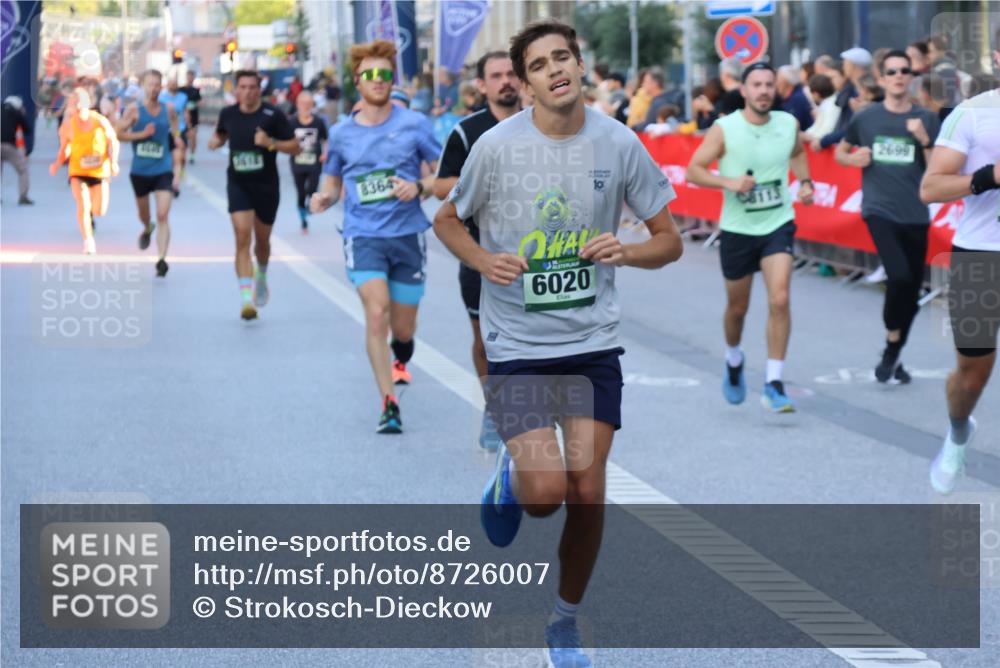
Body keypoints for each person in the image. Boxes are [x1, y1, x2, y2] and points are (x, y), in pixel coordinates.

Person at [433, 21, 682, 668]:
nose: (555, 70)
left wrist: (626, 252)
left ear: (579, 64)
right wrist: (484, 261)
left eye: (562, 57)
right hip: (514, 345)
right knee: (544, 494)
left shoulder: (618, 141)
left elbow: (670, 239)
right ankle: (509, 482)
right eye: (539, 64)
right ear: (524, 82)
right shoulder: (494, 147)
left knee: (588, 489)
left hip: (591, 343)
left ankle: (565, 622)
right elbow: (447, 219)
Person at [310, 40, 441, 434]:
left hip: (407, 236)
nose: (378, 80)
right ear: (358, 81)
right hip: (363, 234)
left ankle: (402, 352)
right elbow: (333, 184)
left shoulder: (414, 124)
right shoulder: (342, 133)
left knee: (403, 330)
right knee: (377, 312)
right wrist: (324, 197)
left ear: (392, 80)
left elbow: (445, 177)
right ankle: (388, 402)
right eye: (370, 74)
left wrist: (419, 188)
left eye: (385, 74)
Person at [686, 62, 815, 412]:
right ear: (743, 90)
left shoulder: (788, 123)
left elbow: (799, 152)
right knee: (737, 309)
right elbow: (694, 170)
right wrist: (729, 183)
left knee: (780, 299)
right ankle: (733, 357)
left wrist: (804, 182)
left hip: (778, 223)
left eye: (768, 84)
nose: (762, 91)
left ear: (775, 89)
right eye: (756, 84)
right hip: (738, 229)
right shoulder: (725, 128)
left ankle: (774, 382)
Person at [920, 31, 999, 495]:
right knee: (973, 374)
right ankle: (958, 429)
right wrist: (989, 177)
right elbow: (932, 188)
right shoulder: (972, 115)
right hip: (982, 256)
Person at [433, 50, 522, 451]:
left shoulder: (541, 126)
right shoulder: (468, 132)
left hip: (534, 255)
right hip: (480, 253)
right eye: (496, 75)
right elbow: (440, 186)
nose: (505, 81)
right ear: (482, 85)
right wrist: (480, 187)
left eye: (510, 74)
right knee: (485, 339)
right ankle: (494, 405)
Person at [835, 49, 940, 383]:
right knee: (899, 277)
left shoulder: (926, 118)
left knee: (910, 289)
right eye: (891, 71)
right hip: (879, 209)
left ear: (911, 78)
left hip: (916, 212)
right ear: (881, 79)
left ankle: (893, 349)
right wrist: (853, 160)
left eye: (904, 71)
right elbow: (840, 151)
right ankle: (893, 346)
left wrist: (924, 141)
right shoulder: (867, 118)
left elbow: (938, 166)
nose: (898, 76)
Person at [208, 70, 299, 320]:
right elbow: (222, 132)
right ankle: (246, 300)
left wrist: (270, 143)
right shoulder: (228, 113)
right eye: (243, 87)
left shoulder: (273, 114)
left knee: (262, 242)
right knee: (241, 236)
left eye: (252, 87)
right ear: (236, 90)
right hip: (238, 184)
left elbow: (295, 147)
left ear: (260, 89)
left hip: (266, 186)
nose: (248, 91)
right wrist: (215, 140)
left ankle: (262, 274)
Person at [115, 69, 182, 277]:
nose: (153, 88)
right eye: (150, 84)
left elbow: (175, 132)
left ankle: (161, 259)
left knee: (163, 214)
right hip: (140, 171)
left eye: (157, 84)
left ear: (161, 87)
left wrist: (177, 142)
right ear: (143, 86)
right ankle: (147, 227)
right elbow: (119, 134)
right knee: (145, 215)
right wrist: (142, 134)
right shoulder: (134, 111)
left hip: (163, 168)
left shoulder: (169, 109)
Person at [49, 87, 120, 254]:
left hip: (99, 171)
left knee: (99, 210)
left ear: (88, 104)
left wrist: (114, 162)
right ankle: (88, 241)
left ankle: (90, 215)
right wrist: (57, 164)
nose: (78, 107)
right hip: (78, 171)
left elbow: (113, 141)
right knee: (82, 204)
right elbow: (65, 149)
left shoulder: (99, 121)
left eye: (81, 102)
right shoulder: (68, 126)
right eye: (74, 103)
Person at [289, 91, 328, 233]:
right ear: (297, 105)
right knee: (300, 193)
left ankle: (309, 205)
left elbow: (325, 139)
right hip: (297, 162)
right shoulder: (292, 122)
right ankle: (303, 220)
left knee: (312, 190)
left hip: (314, 162)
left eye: (308, 104)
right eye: (302, 104)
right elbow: (286, 140)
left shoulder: (318, 121)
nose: (305, 106)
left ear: (312, 105)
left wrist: (325, 153)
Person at [818, 48, 870, 150]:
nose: (844, 66)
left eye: (846, 63)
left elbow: (851, 126)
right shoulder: (849, 90)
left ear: (853, 65)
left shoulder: (866, 90)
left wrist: (825, 141)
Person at [1, 96, 34, 205]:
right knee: (23, 170)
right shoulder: (16, 112)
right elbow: (27, 129)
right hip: (8, 145)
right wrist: (21, 116)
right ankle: (23, 197)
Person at [159, 76, 190, 186]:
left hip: (179, 130)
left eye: (175, 83)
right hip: (165, 131)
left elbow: (186, 112)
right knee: (170, 157)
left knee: (181, 156)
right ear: (167, 84)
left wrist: (189, 127)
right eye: (171, 83)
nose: (173, 85)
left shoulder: (183, 97)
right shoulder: (161, 97)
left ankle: (177, 177)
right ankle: (173, 177)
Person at [776, 65, 813, 131]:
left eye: (778, 79)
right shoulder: (781, 99)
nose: (776, 83)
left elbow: (791, 127)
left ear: (786, 82)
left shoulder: (798, 99)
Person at [179, 70, 202, 164]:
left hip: (193, 117)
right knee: (182, 137)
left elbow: (200, 102)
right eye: (188, 76)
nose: (190, 78)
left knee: (193, 137)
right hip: (182, 118)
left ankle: (192, 155)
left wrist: (194, 104)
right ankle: (181, 154)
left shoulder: (196, 90)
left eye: (191, 77)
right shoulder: (181, 90)